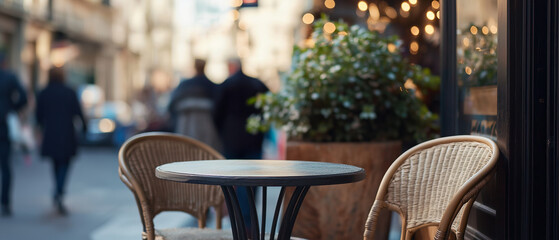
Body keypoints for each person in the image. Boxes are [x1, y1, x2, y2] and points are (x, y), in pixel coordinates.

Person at [213, 58, 269, 232]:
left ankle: (239, 222)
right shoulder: (257, 84)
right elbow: (269, 108)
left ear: (231, 67)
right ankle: (249, 222)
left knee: (233, 181)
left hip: (231, 140)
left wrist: (223, 133)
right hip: (253, 139)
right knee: (252, 182)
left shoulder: (226, 85)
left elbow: (216, 114)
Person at [36, 67, 86, 215]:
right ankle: (59, 190)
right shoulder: (69, 92)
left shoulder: (44, 92)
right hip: (66, 133)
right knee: (65, 163)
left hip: (51, 133)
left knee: (56, 163)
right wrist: (84, 127)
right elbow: (78, 112)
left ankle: (58, 190)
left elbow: (39, 115)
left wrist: (40, 127)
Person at [168, 59, 221, 151]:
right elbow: (220, 108)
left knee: (186, 153)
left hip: (185, 128)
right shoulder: (212, 86)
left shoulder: (184, 85)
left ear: (194, 67)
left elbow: (171, 105)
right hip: (208, 131)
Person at [0, 54, 27, 216]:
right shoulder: (10, 78)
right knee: (6, 166)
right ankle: (5, 202)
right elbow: (23, 97)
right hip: (4, 126)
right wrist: (12, 108)